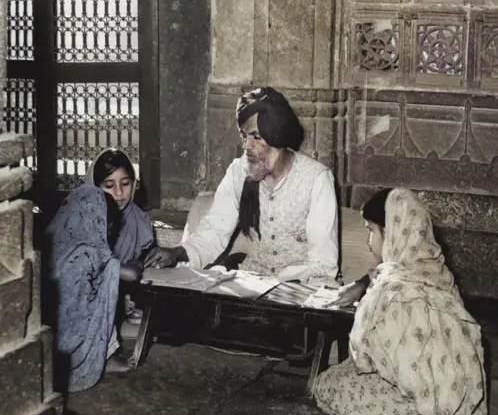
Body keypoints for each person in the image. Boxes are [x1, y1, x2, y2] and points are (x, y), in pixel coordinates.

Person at [314, 188, 497, 415]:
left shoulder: (395, 289)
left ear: (391, 234)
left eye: (370, 231)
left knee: (327, 385)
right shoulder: (434, 267)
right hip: (460, 388)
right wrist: (363, 286)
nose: (369, 242)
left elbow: (366, 358)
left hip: (426, 396)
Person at [147, 86, 339, 284]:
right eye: (244, 136)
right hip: (250, 283)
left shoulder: (316, 179)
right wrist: (179, 252)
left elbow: (322, 263)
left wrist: (276, 283)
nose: (247, 146)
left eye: (256, 136)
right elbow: (214, 232)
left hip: (300, 286)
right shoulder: (238, 172)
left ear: (277, 135)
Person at [46, 185, 143, 392]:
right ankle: (101, 359)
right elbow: (132, 275)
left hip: (50, 343)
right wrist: (139, 263)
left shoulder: (54, 242)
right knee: (109, 277)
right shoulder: (88, 252)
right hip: (72, 346)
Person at [86, 148, 172, 321]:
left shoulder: (137, 220)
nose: (119, 193)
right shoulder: (84, 219)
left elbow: (138, 267)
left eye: (125, 184)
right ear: (95, 187)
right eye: (109, 186)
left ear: (134, 183)